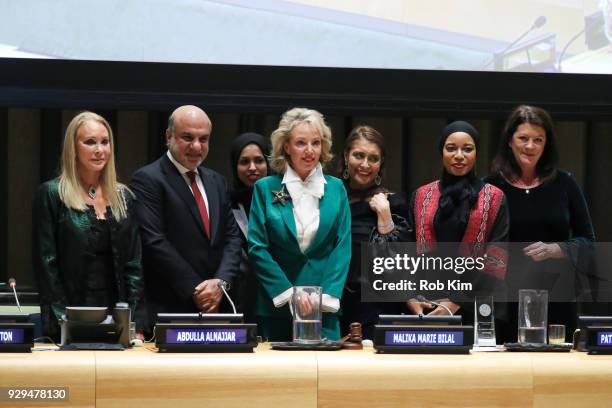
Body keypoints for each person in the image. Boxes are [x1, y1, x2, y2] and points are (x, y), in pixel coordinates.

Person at [486, 105, 595, 340]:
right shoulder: (490, 187)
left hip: (557, 297)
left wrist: (558, 249)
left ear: (546, 145)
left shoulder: (565, 183)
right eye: (523, 138)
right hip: (505, 299)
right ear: (509, 141)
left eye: (538, 140)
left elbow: (588, 241)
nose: (530, 146)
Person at [33, 111, 143, 341]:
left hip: (117, 317)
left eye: (105, 142)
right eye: (90, 142)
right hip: (69, 318)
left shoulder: (124, 197)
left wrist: (132, 320)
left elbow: (134, 264)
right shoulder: (52, 194)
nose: (99, 149)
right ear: (73, 148)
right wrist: (64, 322)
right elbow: (47, 266)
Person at [131, 105, 241, 328]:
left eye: (204, 139)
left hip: (217, 306)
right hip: (170, 307)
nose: (196, 146)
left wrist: (220, 283)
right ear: (169, 136)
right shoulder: (148, 179)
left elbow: (232, 239)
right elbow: (154, 242)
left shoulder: (217, 181)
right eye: (188, 137)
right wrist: (198, 290)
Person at [248, 107, 351, 341]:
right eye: (301, 143)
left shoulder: (336, 189)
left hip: (324, 310)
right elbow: (257, 247)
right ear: (286, 146)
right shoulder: (264, 188)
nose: (309, 150)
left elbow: (342, 246)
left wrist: (322, 298)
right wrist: (289, 294)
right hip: (278, 310)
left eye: (316, 143)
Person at [407, 121, 509, 321]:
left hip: (477, 308)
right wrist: (409, 296)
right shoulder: (421, 196)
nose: (459, 155)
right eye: (451, 148)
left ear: (476, 153)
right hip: (428, 305)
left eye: (467, 149)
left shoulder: (495, 197)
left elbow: (497, 259)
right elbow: (408, 254)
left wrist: (454, 303)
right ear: (441, 152)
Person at [338, 125, 411, 339]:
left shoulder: (394, 203)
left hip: (378, 306)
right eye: (358, 156)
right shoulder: (330, 198)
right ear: (345, 156)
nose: (365, 165)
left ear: (381, 164)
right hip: (334, 302)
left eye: (373, 158)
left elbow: (403, 264)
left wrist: (385, 217)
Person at [229, 132, 270, 323]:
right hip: (238, 298)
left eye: (259, 160)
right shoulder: (226, 203)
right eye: (244, 161)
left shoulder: (283, 202)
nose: (252, 168)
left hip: (274, 293)